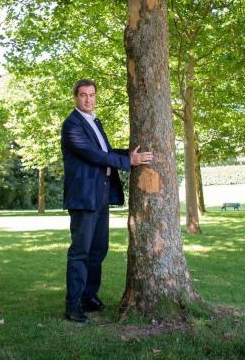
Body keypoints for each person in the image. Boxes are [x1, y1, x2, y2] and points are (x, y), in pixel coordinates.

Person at [60, 79, 153, 323]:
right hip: (83, 197)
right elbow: (94, 155)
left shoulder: (95, 122)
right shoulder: (72, 125)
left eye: (92, 95)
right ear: (75, 97)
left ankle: (88, 297)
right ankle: (72, 306)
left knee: (98, 249)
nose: (88, 99)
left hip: (100, 195)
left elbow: (106, 152)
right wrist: (128, 162)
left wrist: (128, 155)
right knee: (80, 252)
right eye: (83, 95)